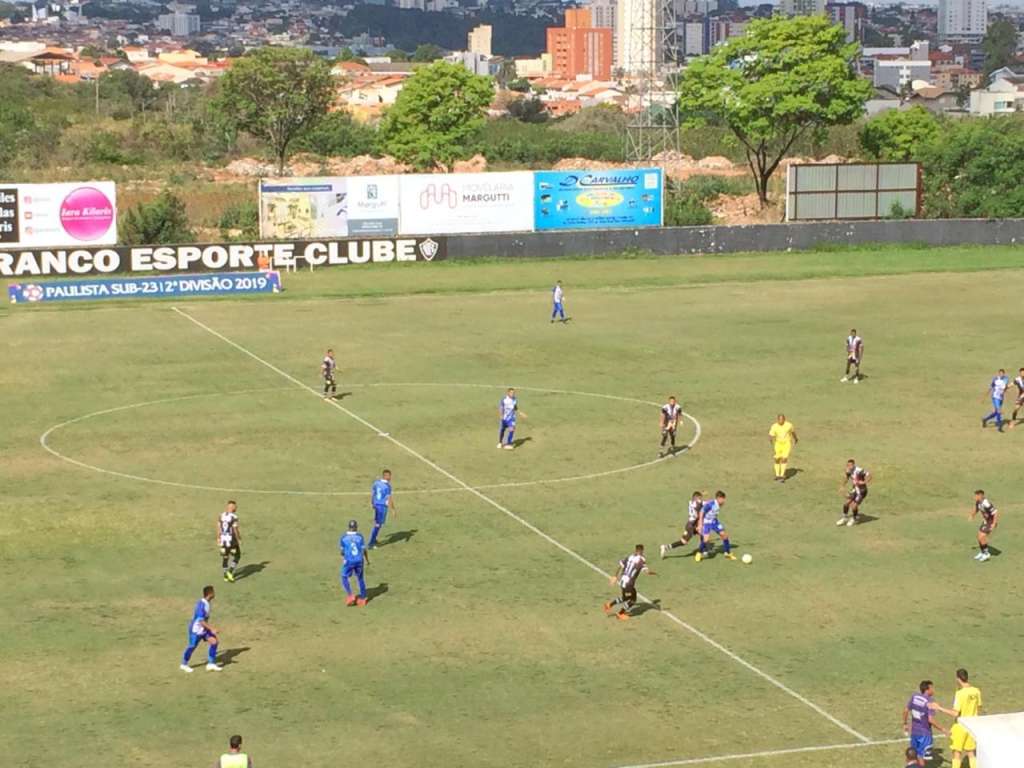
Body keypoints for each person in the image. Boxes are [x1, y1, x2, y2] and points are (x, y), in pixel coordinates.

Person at [903, 680, 953, 766]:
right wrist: (943, 729)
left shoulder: (914, 697)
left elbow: (906, 710)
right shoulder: (930, 701)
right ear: (927, 689)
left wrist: (905, 723)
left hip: (914, 732)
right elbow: (930, 720)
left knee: (915, 755)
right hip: (925, 734)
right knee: (922, 757)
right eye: (932, 688)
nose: (933, 690)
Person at [603, 544, 654, 620]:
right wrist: (652, 572)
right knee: (633, 600)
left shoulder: (630, 557)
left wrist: (615, 576)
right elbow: (647, 571)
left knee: (625, 597)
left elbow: (620, 565)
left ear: (636, 550)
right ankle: (620, 613)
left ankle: (609, 605)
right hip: (629, 584)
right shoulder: (641, 560)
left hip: (622, 581)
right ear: (642, 550)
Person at [180, 585, 222, 672]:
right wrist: (211, 629)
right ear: (209, 593)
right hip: (196, 630)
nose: (214, 593)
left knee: (214, 642)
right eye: (213, 592)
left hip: (204, 629)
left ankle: (211, 664)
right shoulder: (201, 605)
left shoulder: (207, 603)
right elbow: (200, 621)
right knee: (192, 646)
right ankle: (184, 664)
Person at [949, 668, 982, 768]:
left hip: (961, 726)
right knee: (971, 752)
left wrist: (939, 708)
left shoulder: (960, 694)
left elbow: (955, 713)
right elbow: (979, 707)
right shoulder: (976, 691)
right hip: (972, 725)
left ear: (958, 679)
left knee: (956, 753)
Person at [696, 491, 736, 561]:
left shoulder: (719, 504)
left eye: (724, 499)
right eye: (722, 499)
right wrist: (700, 524)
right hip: (707, 523)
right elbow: (701, 512)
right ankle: (699, 553)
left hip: (714, 522)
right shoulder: (711, 504)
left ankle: (728, 553)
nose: (724, 500)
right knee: (706, 540)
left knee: (724, 535)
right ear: (718, 498)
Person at [661, 491, 703, 559]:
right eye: (700, 498)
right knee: (684, 542)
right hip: (691, 525)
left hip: (690, 524)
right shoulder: (697, 504)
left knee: (702, 533)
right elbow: (699, 509)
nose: (701, 499)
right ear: (696, 498)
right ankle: (665, 547)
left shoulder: (690, 502)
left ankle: (703, 549)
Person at [340, 519, 369, 607]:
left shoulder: (344, 538)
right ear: (356, 527)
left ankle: (350, 595)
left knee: (344, 576)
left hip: (349, 561)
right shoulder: (360, 537)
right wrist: (367, 560)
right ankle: (363, 598)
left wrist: (343, 558)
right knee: (360, 578)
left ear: (349, 527)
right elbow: (364, 550)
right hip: (359, 560)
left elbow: (342, 551)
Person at [836, 460, 871, 527]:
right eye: (848, 465)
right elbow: (847, 478)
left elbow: (870, 476)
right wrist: (842, 486)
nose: (849, 467)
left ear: (854, 465)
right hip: (855, 489)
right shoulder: (848, 471)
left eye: (851, 465)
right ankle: (844, 518)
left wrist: (864, 482)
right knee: (846, 504)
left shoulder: (859, 470)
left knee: (854, 506)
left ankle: (854, 519)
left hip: (862, 491)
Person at [368, 469, 395, 549]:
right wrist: (393, 509)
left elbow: (373, 493)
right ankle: (371, 543)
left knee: (378, 523)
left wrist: (372, 502)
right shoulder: (387, 486)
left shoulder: (376, 483)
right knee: (378, 524)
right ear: (385, 476)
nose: (390, 477)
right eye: (389, 476)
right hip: (382, 506)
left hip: (376, 505)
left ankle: (374, 539)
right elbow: (389, 498)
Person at [768, 414, 798, 482]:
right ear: (777, 420)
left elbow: (793, 432)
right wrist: (770, 439)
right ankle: (777, 475)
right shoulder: (774, 426)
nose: (780, 421)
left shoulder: (789, 425)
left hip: (786, 444)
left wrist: (795, 438)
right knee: (777, 459)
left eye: (782, 419)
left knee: (784, 459)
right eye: (779, 419)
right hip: (778, 444)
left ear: (784, 419)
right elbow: (771, 434)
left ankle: (782, 476)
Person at [970, 490, 998, 562]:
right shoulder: (978, 502)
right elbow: (977, 509)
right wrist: (972, 515)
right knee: (979, 537)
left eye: (976, 495)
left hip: (990, 522)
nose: (974, 497)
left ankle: (986, 554)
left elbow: (995, 513)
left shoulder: (986, 503)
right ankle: (982, 552)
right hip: (985, 522)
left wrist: (994, 524)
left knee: (982, 537)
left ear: (980, 495)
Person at [218, 500, 242, 583]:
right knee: (238, 555)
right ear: (232, 508)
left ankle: (225, 575)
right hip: (231, 540)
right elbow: (235, 529)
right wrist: (239, 538)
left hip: (223, 540)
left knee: (225, 557)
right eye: (235, 506)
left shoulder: (221, 515)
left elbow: (219, 527)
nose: (236, 508)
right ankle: (230, 572)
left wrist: (218, 538)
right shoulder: (234, 517)